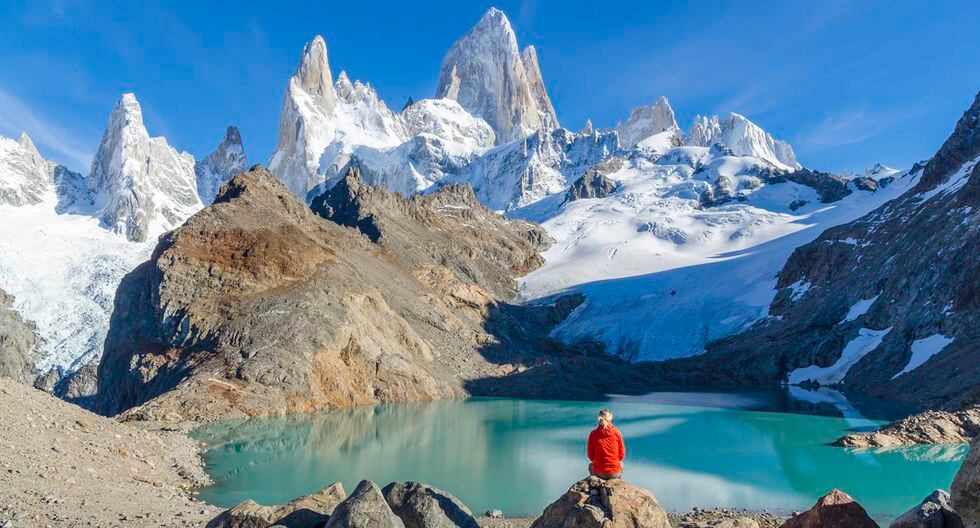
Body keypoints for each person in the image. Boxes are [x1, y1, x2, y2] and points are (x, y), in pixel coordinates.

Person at [587, 408, 624, 480]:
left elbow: (590, 455)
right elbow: (621, 454)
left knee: (590, 466)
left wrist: (600, 463)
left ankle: (596, 487)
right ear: (610, 418)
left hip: (599, 473)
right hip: (614, 473)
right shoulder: (617, 433)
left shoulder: (593, 434)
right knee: (621, 465)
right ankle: (616, 483)